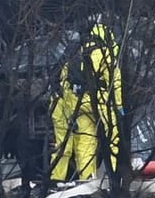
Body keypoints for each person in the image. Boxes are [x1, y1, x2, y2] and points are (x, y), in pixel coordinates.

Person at [49, 22, 124, 181]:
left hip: (77, 103)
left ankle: (75, 179)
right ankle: (107, 178)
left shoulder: (75, 52)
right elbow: (114, 81)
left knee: (83, 143)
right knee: (112, 139)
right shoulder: (105, 53)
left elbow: (64, 81)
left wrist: (71, 108)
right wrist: (118, 106)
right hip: (99, 101)